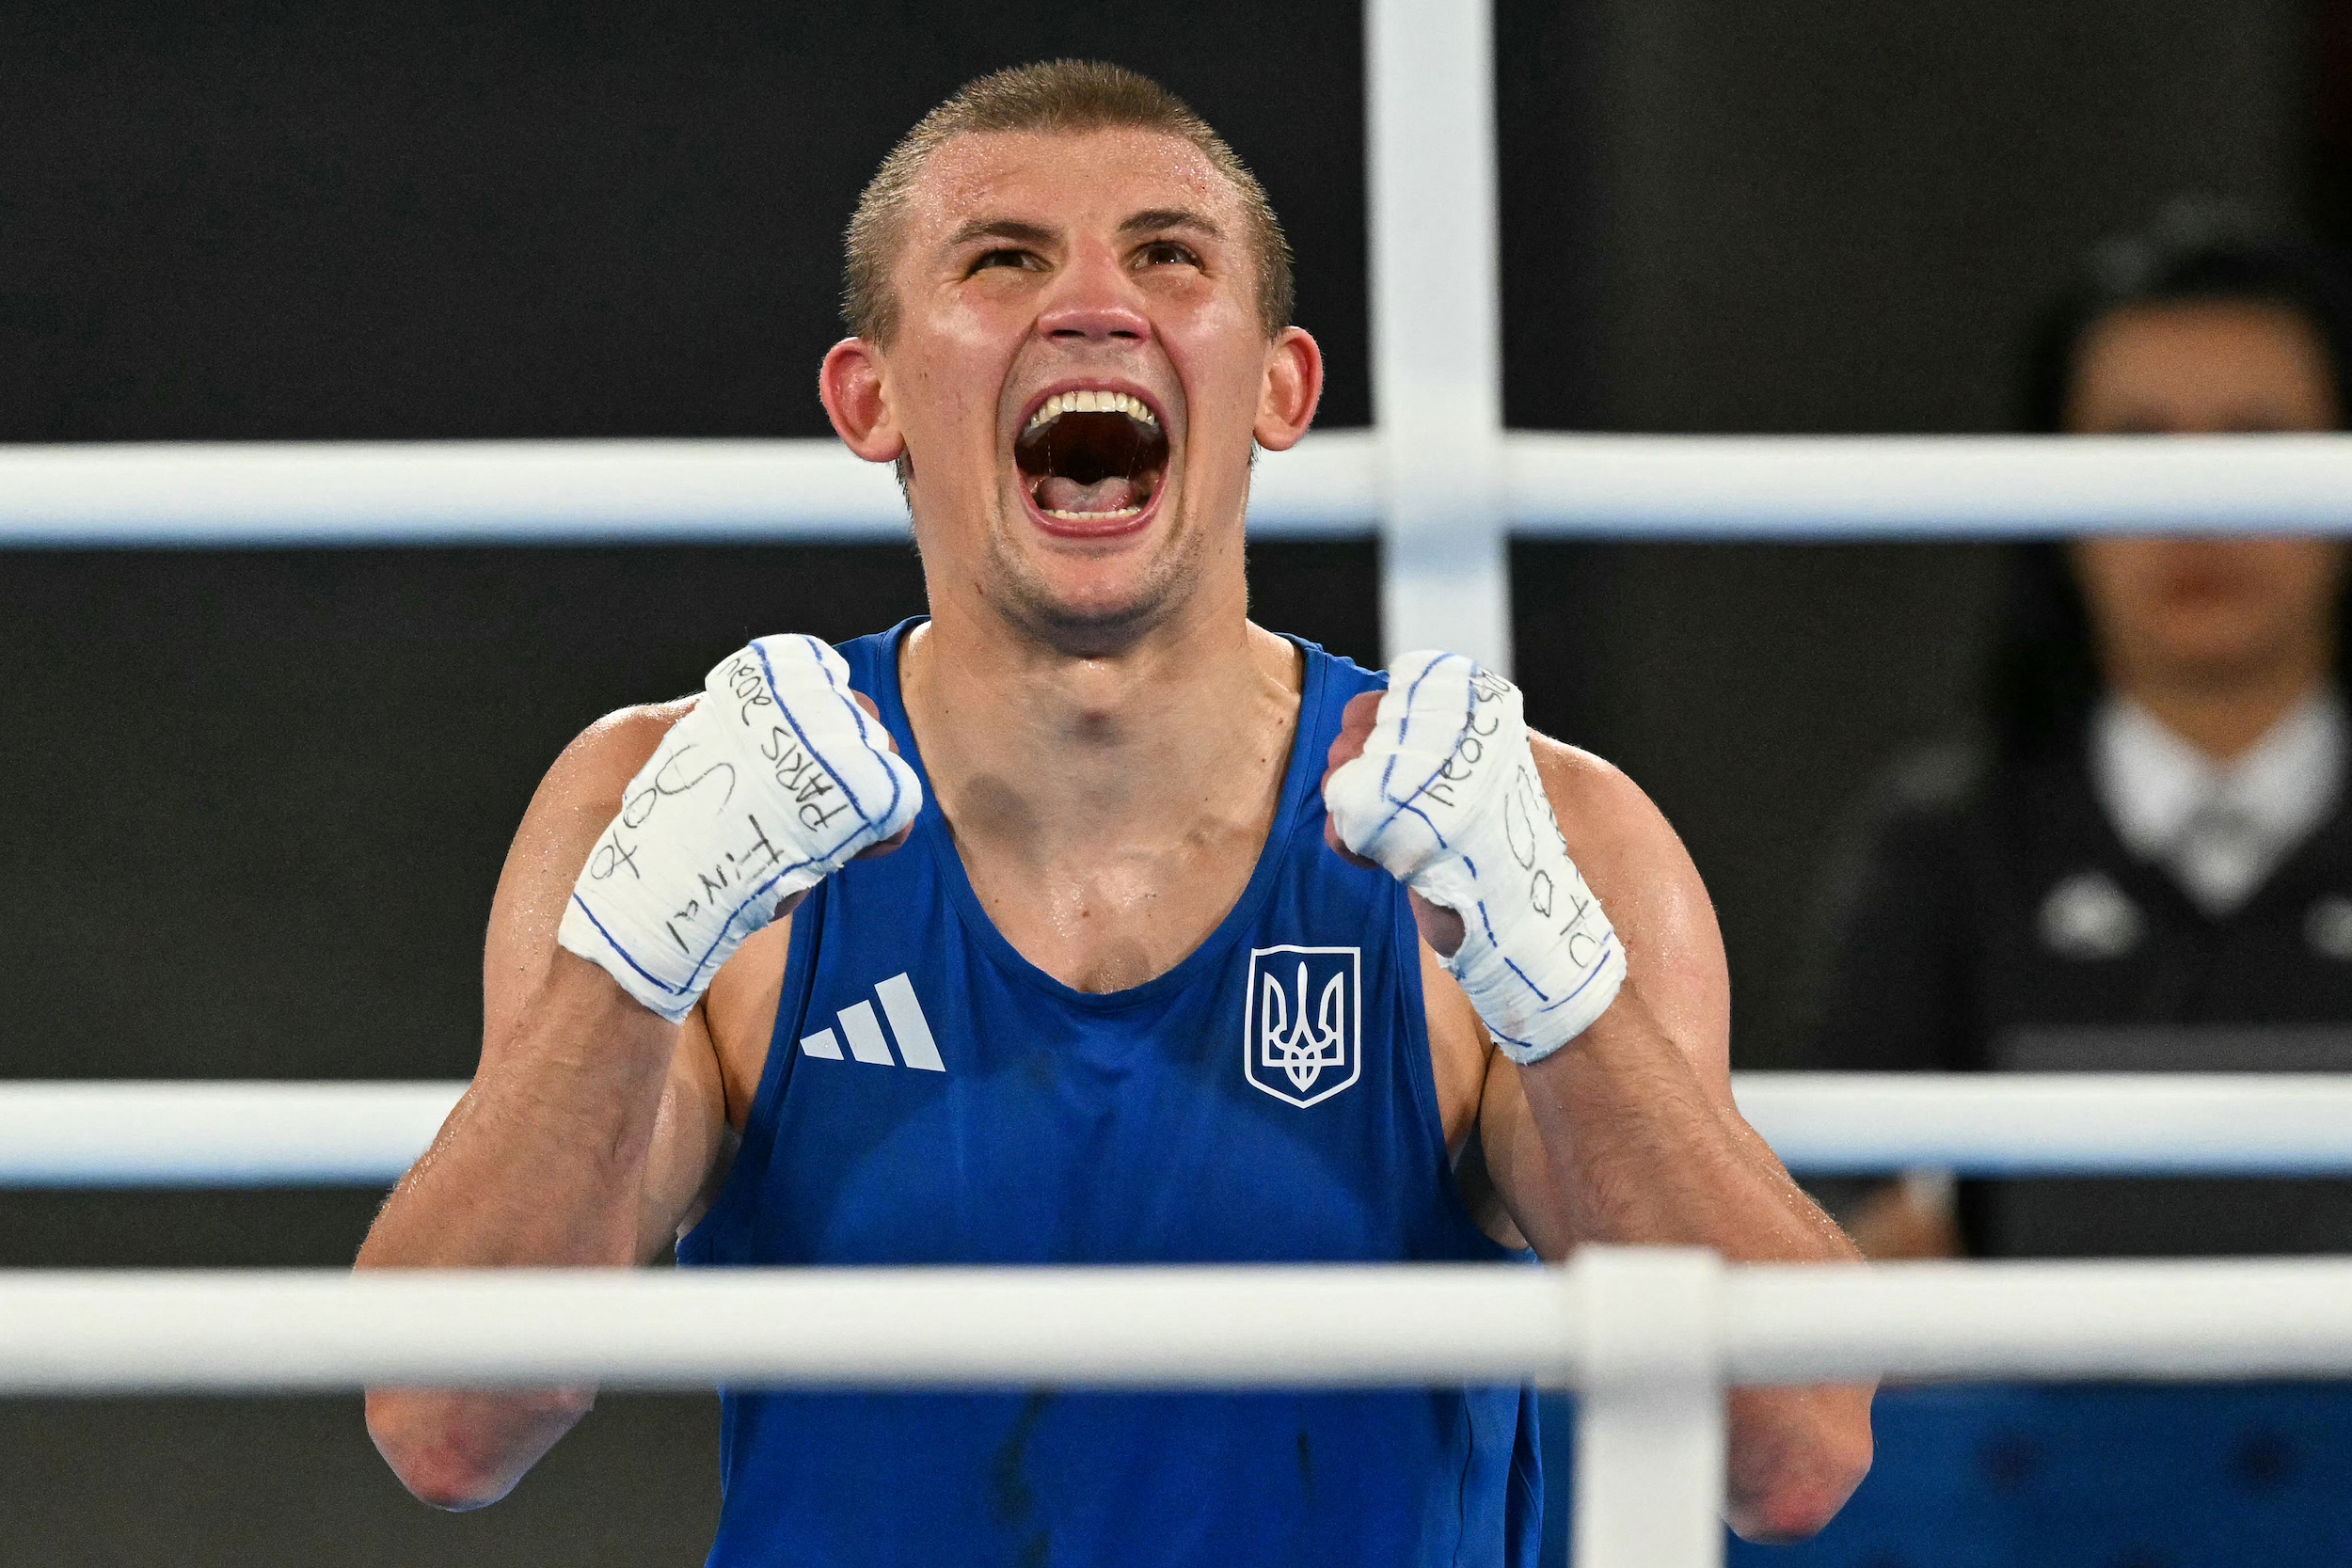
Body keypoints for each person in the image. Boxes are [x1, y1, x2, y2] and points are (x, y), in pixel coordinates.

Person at [356, 60, 1871, 1562]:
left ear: (1280, 385)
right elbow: (449, 1423)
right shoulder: (662, 806)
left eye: (1167, 255)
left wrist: (1564, 988)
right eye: (1003, 259)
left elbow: (1794, 1452)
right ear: (866, 395)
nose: (1091, 305)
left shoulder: (1552, 839)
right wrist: (631, 955)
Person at [1808, 204, 2352, 1259]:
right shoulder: (1939, 843)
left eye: (2260, 443)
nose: (2196, 502)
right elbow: (1827, 1207)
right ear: (2049, 486)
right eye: (2134, 446)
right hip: (2029, 1427)